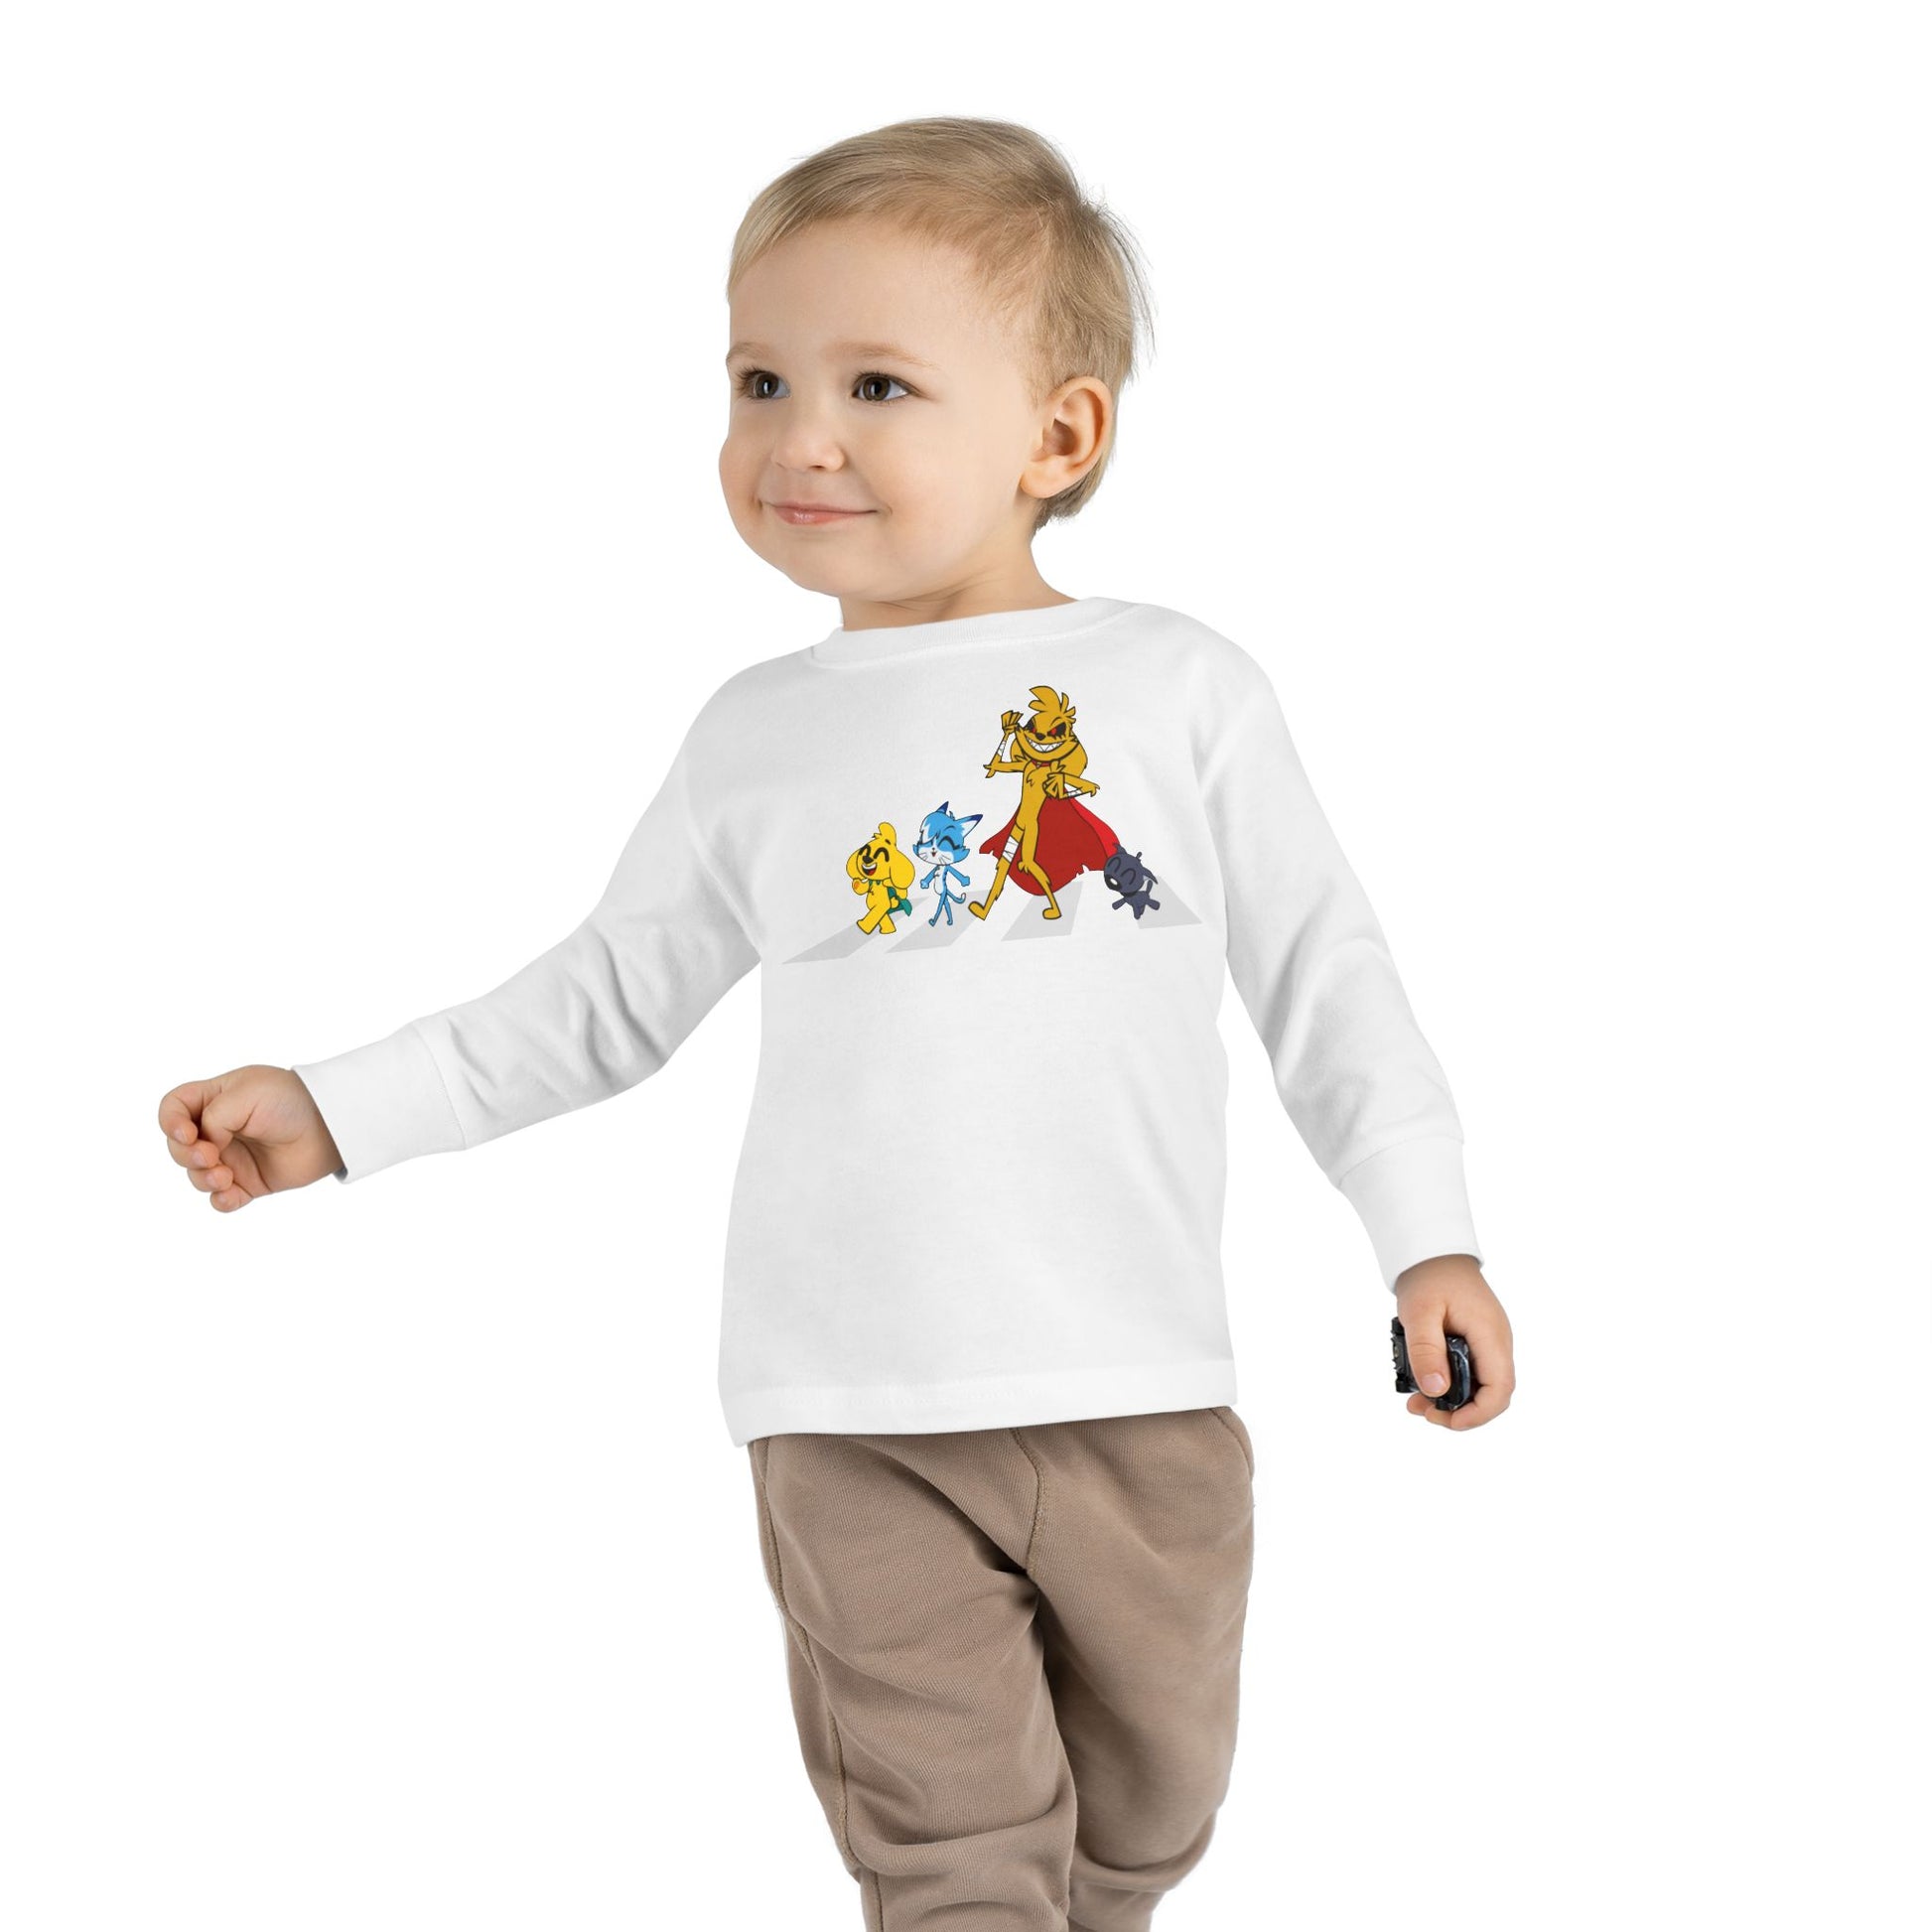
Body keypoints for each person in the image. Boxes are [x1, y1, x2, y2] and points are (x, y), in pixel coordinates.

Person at [157, 115, 1517, 1931]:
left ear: (1058, 436)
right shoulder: (758, 735)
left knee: (1149, 1811)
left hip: (1138, 1389)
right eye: (759, 380)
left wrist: (1426, 1238)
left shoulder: (1177, 689)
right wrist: (338, 1107)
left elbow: (1325, 973)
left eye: (877, 385)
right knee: (952, 1849)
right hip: (847, 1403)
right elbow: (603, 995)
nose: (800, 436)